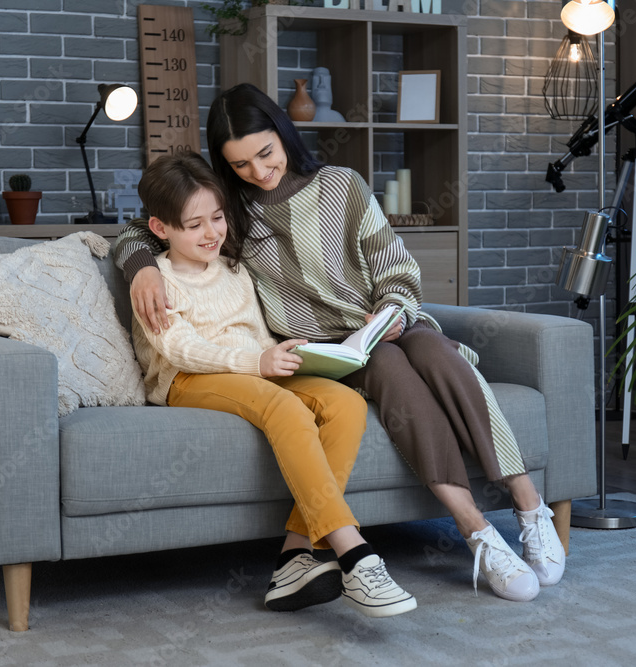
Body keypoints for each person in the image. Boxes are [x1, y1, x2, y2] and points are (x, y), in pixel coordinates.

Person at [116, 84, 565, 603]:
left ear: (284, 133)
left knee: (435, 353)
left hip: (382, 326)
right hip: (328, 351)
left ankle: (530, 505)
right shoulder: (231, 213)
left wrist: (393, 310)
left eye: (265, 153)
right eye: (239, 165)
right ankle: (476, 530)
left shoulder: (342, 187)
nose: (259, 172)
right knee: (393, 372)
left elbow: (395, 268)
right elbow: (144, 227)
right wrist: (141, 267)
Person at [129, 151, 416, 619]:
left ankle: (293, 556)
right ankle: (354, 554)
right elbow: (178, 348)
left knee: (344, 403)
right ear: (161, 229)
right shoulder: (155, 281)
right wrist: (255, 362)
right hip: (187, 379)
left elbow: (257, 334)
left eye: (218, 218)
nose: (211, 233)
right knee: (285, 409)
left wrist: (281, 357)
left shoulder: (235, 268)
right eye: (194, 225)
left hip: (252, 366)